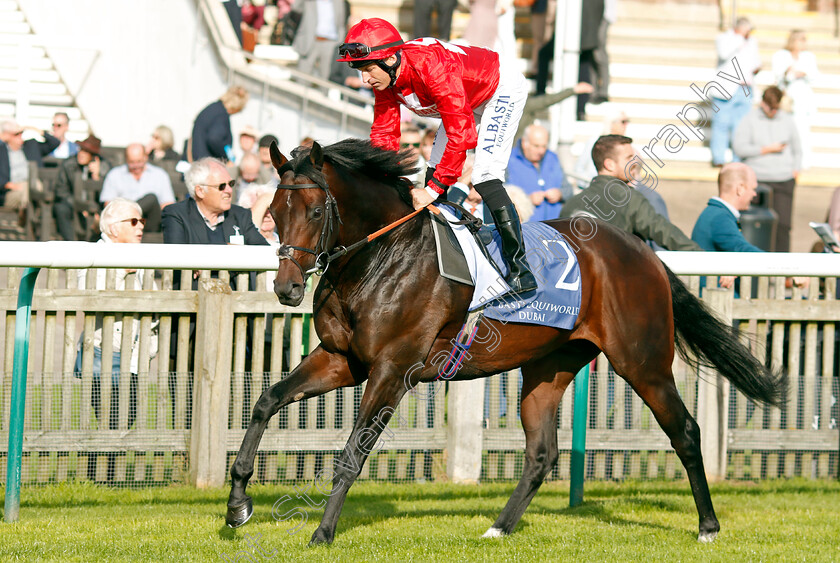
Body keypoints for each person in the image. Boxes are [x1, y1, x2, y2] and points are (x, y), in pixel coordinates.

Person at [336, 18, 537, 293]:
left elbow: (461, 135)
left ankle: (520, 269)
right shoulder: (387, 79)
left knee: (484, 176)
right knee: (433, 169)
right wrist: (381, 180)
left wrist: (433, 190)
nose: (365, 79)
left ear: (392, 59)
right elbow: (384, 133)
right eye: (360, 70)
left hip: (499, 90)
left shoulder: (432, 67)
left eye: (368, 69)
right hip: (466, 96)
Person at [74, 199, 157, 430]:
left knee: (127, 419)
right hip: (104, 351)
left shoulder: (141, 255)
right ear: (113, 228)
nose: (140, 226)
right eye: (133, 221)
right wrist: (121, 271)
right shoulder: (94, 254)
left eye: (142, 221)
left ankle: (110, 465)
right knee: (108, 421)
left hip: (134, 352)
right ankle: (100, 466)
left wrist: (151, 342)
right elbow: (87, 295)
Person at [560, 134, 702, 251]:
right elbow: (663, 232)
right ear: (609, 164)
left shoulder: (571, 204)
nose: (635, 162)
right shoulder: (630, 199)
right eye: (629, 158)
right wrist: (703, 256)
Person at [733, 86, 801, 252]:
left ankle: (783, 270)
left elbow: (797, 148)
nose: (773, 111)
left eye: (776, 108)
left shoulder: (787, 120)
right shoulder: (749, 119)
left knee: (783, 226)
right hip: (758, 180)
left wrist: (795, 170)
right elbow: (739, 148)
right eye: (770, 107)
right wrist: (766, 149)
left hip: (783, 179)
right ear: (762, 103)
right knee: (753, 225)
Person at [162, 157, 268, 249]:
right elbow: (177, 257)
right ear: (200, 191)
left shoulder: (241, 215)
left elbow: (263, 251)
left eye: (231, 184)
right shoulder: (176, 214)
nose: (229, 190)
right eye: (221, 186)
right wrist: (229, 249)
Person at [711, 17, 761, 167]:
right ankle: (719, 158)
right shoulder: (724, 38)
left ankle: (737, 158)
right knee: (721, 123)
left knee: (740, 126)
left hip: (745, 87)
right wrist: (739, 38)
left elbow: (755, 61)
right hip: (726, 88)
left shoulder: (752, 41)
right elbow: (724, 53)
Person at [100, 144, 175, 233]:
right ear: (126, 159)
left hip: (150, 223)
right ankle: (129, 215)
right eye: (132, 162)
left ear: (145, 158)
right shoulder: (115, 175)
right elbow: (108, 205)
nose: (136, 165)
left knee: (151, 199)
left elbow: (168, 204)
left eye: (139, 161)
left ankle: (130, 213)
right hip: (125, 224)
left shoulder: (160, 175)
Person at [772, 30, 819, 170]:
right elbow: (778, 76)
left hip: (803, 98)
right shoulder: (781, 55)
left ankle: (803, 161)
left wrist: (803, 73)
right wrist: (788, 73)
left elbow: (814, 75)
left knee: (803, 131)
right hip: (787, 97)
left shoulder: (809, 56)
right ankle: (785, 159)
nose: (803, 42)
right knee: (785, 129)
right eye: (801, 39)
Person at [506, 124, 570, 222]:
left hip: (554, 227)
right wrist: (526, 200)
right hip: (525, 228)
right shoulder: (509, 160)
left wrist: (560, 194)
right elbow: (501, 198)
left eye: (544, 146)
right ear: (524, 143)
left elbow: (569, 190)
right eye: (536, 146)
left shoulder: (553, 158)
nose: (541, 151)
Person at [53, 134, 111, 241]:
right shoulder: (69, 164)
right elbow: (61, 191)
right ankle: (71, 242)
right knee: (61, 208)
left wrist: (97, 177)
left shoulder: (104, 167)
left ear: (94, 156)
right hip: (73, 204)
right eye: (81, 150)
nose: (81, 154)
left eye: (86, 152)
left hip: (95, 208)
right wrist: (79, 205)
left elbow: (107, 195)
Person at [0, 119, 60, 211]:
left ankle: (26, 217)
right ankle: (31, 219)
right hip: (11, 191)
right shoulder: (2, 151)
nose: (20, 136)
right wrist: (9, 185)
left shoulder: (31, 146)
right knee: (29, 189)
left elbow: (55, 142)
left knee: (30, 187)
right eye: (16, 134)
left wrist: (32, 128)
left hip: (32, 186)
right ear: (7, 136)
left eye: (21, 133)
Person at [189, 85, 249, 161]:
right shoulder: (222, 116)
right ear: (237, 106)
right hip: (206, 163)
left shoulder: (212, 108)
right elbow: (214, 138)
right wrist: (225, 156)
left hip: (197, 159)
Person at [573, 105, 629, 187]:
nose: (626, 125)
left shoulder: (627, 147)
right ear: (612, 123)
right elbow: (579, 168)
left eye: (627, 121)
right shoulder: (594, 142)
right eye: (623, 122)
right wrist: (591, 185)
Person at [292, 0, 346, 81]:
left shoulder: (338, 2)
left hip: (330, 43)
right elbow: (295, 7)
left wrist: (339, 43)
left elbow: (341, 24)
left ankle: (324, 93)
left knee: (326, 76)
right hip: (310, 41)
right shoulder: (309, 2)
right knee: (303, 75)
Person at [400, 124, 426, 188]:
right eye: (406, 145)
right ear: (399, 146)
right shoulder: (389, 168)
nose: (411, 149)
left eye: (416, 145)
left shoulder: (431, 174)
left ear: (421, 146)